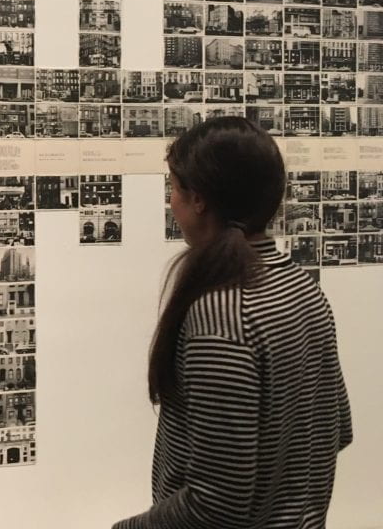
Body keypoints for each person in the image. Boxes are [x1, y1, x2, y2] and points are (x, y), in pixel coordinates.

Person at [114, 117, 352, 528]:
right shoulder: (302, 287)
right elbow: (338, 431)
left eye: (173, 187)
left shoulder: (221, 313)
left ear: (199, 199)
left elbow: (215, 506)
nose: (170, 201)